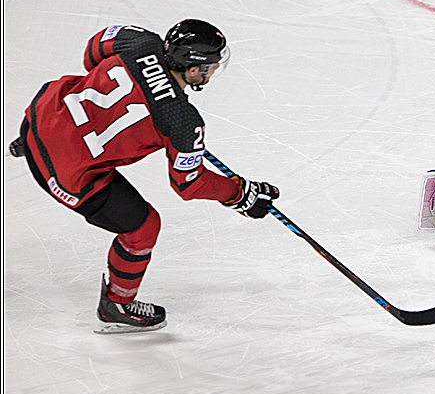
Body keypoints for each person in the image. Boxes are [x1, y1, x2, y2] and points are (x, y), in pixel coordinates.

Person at [9, 20, 280, 332]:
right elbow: (188, 184)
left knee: (64, 113)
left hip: (37, 119)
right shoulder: (182, 123)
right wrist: (239, 193)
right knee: (143, 227)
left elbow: (92, 52)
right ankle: (117, 304)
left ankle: (28, 145)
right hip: (63, 174)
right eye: (211, 64)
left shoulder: (139, 41)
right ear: (193, 70)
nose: (215, 68)